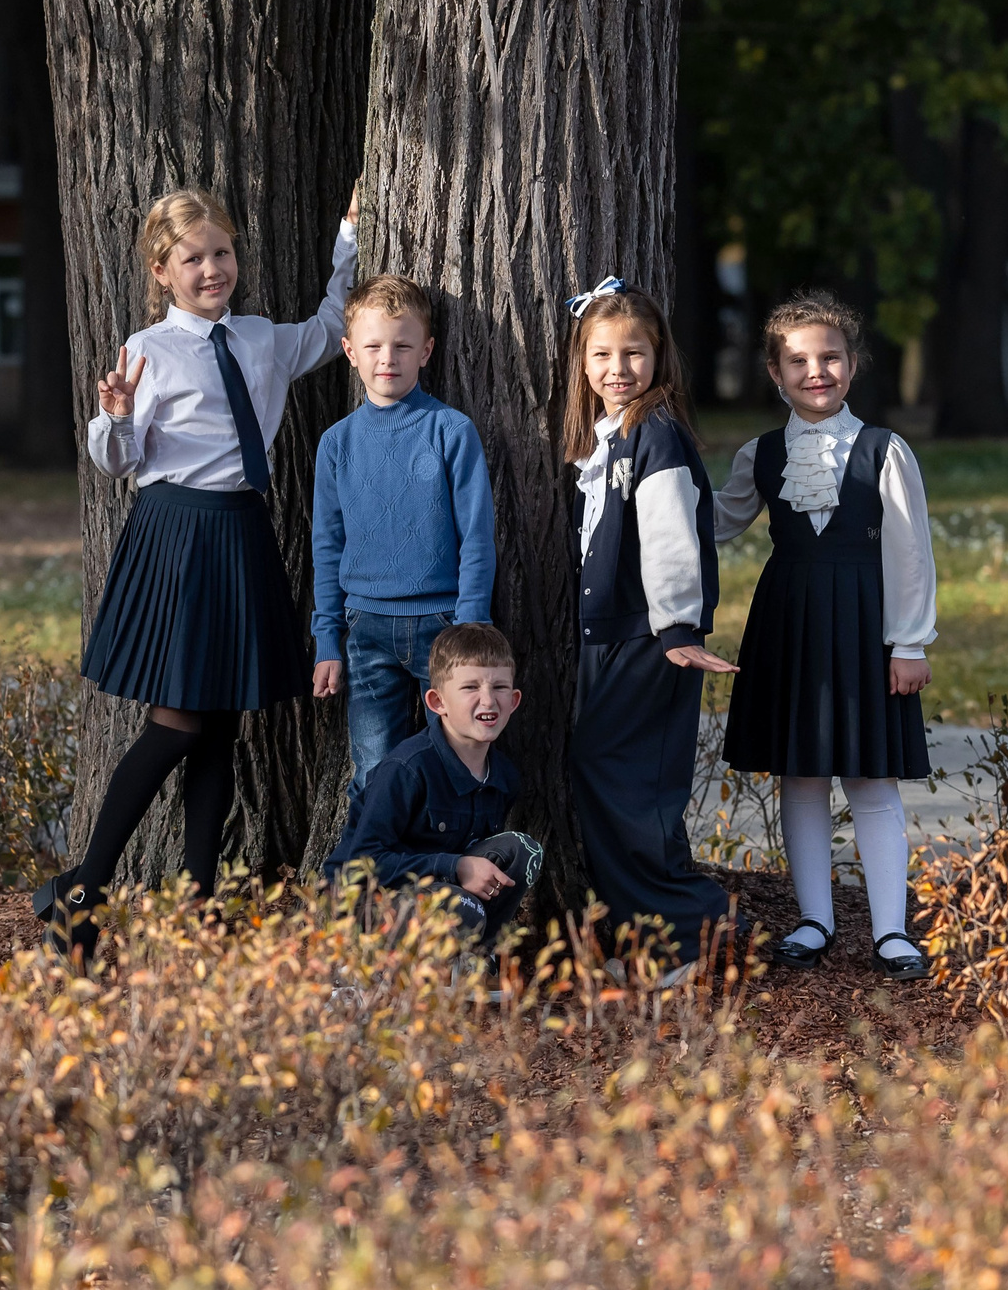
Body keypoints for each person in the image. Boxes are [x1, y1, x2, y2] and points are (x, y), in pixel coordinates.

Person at [34, 187, 357, 957]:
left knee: (220, 724)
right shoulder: (148, 349)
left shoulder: (262, 339)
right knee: (177, 722)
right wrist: (113, 414)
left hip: (242, 531)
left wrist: (347, 243)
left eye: (221, 253)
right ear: (162, 270)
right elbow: (119, 461)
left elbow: (332, 328)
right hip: (177, 536)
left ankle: (199, 899)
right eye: (193, 258)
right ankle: (80, 891)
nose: (212, 268)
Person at [715, 290, 936, 982]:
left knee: (870, 775)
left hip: (865, 625)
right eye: (799, 360)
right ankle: (814, 918)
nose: (818, 371)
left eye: (831, 357)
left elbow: (910, 552)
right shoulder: (761, 453)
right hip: (789, 624)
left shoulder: (885, 450)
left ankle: (892, 929)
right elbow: (711, 526)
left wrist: (909, 642)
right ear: (775, 372)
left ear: (854, 363)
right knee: (801, 774)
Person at [562, 279, 741, 975]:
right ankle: (649, 932)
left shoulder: (655, 433)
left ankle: (693, 928)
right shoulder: (608, 437)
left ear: (658, 356)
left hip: (651, 639)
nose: (617, 368)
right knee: (602, 775)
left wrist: (675, 629)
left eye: (633, 353)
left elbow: (672, 536)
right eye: (601, 354)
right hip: (606, 636)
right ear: (582, 362)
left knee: (626, 782)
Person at [309, 275, 498, 806]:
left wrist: (472, 626)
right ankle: (373, 879)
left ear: (426, 351)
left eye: (402, 345)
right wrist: (327, 640)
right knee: (374, 769)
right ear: (349, 351)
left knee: (457, 758)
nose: (386, 358)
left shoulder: (451, 431)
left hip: (443, 624)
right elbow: (327, 545)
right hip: (364, 626)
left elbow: (477, 538)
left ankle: (452, 876)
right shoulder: (336, 444)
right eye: (372, 346)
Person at [324, 621, 540, 949]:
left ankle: (479, 955)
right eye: (470, 688)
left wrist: (460, 869)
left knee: (524, 850)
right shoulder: (408, 768)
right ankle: (370, 965)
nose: (488, 700)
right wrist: (454, 866)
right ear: (437, 702)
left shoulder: (504, 777)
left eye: (499, 688)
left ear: (514, 700)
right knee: (458, 907)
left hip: (441, 890)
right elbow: (363, 863)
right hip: (368, 902)